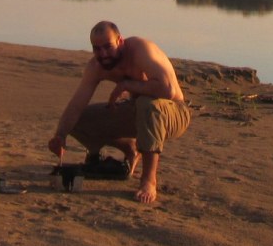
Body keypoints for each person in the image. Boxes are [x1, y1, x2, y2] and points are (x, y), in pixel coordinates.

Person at [49, 21, 191, 203]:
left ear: (120, 41)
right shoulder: (96, 67)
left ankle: (148, 180)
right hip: (137, 111)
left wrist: (126, 85)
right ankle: (130, 148)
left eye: (108, 47)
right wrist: (60, 135)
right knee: (78, 120)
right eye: (97, 49)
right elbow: (76, 105)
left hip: (174, 112)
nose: (103, 54)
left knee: (147, 104)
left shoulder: (140, 50)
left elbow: (167, 90)